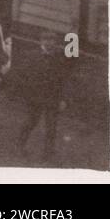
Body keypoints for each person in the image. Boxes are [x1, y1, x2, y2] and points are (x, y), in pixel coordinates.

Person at [15, 30, 74, 162]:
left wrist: (63, 99)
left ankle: (48, 153)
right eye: (46, 40)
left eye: (52, 40)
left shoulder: (60, 58)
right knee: (31, 122)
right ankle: (20, 145)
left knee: (51, 126)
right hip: (35, 97)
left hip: (53, 97)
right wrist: (27, 93)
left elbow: (64, 79)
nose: (49, 43)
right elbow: (24, 76)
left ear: (55, 42)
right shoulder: (32, 56)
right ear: (41, 41)